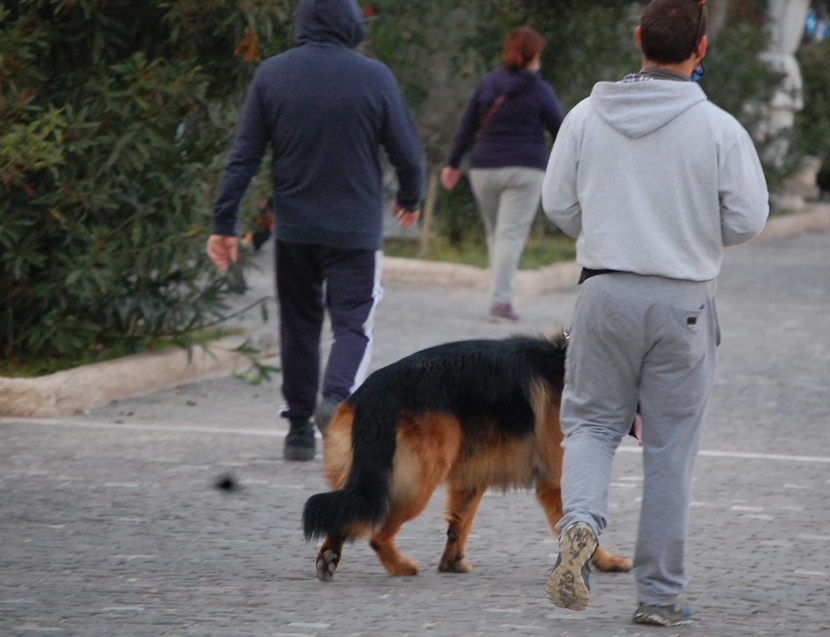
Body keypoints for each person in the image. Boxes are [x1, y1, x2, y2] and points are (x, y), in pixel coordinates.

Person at [541, 0, 769, 626]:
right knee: (670, 450)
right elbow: (748, 218)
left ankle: (580, 526)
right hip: (683, 301)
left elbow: (558, 202)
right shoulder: (720, 128)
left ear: (638, 38)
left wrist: (610, 224)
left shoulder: (586, 117)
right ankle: (661, 597)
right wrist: (692, 229)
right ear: (700, 49)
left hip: (604, 292)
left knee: (588, 427)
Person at [206, 0, 425, 462]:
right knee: (352, 325)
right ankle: (337, 399)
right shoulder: (374, 77)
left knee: (299, 326)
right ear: (350, 23)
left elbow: (244, 155)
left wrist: (224, 222)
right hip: (355, 233)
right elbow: (406, 151)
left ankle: (299, 431)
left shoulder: (272, 75)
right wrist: (410, 197)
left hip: (294, 230)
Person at [440, 27, 563, 322]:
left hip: (483, 170)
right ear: (533, 56)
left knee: (496, 235)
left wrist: (452, 163)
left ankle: (499, 296)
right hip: (524, 170)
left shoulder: (488, 84)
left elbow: (467, 126)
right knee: (509, 236)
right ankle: (500, 302)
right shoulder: (540, 91)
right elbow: (561, 130)